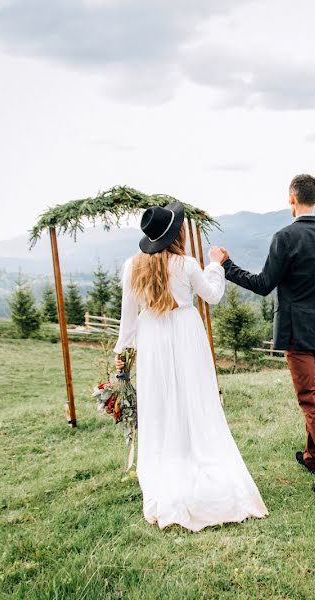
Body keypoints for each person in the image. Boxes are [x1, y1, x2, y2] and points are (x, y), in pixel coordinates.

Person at [113, 200, 268, 530]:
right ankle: (201, 463)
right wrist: (215, 265)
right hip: (186, 336)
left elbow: (128, 321)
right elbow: (212, 295)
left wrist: (123, 358)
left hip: (152, 337)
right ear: (176, 234)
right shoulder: (187, 264)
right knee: (196, 400)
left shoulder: (131, 267)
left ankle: (169, 467)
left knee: (161, 405)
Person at [212, 174, 315, 498]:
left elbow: (263, 285)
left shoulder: (284, 237)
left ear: (291, 200)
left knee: (311, 403)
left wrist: (226, 265)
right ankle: (311, 457)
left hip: (297, 334)